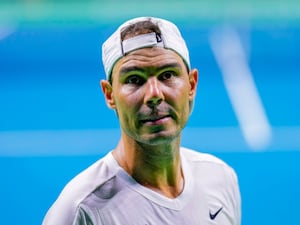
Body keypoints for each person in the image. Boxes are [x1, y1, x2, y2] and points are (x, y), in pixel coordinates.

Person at [42, 16, 241, 225]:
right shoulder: (80, 210)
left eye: (167, 75)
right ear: (109, 95)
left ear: (191, 85)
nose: (154, 94)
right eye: (134, 79)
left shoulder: (220, 179)